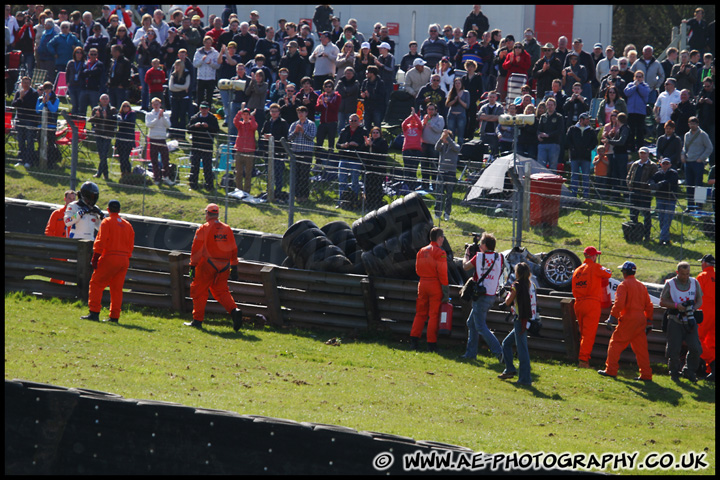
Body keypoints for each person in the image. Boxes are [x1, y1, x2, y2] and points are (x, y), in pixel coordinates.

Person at [185, 203, 243, 331]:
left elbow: (196, 249)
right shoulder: (227, 228)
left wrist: (192, 265)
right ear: (217, 214)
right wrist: (234, 266)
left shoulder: (203, 228)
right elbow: (233, 249)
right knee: (221, 291)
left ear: (207, 214)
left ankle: (197, 320)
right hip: (224, 266)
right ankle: (234, 310)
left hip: (207, 265)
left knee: (199, 291)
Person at [598, 261, 655, 381]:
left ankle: (611, 370)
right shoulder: (641, 286)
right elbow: (649, 306)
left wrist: (612, 318)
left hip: (628, 320)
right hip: (640, 321)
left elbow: (619, 304)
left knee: (615, 344)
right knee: (641, 350)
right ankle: (646, 375)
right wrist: (649, 321)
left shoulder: (623, 285)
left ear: (624, 272)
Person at [80, 199, 134, 323]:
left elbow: (100, 241)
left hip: (110, 257)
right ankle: (114, 316)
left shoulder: (107, 222)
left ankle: (94, 312)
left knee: (96, 284)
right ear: (119, 210)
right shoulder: (128, 225)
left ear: (108, 210)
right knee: (116, 289)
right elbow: (131, 245)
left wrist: (95, 257)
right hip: (124, 259)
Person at [460, 232, 505, 362]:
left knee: (480, 326)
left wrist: (467, 254)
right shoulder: (499, 257)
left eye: (481, 244)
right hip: (492, 295)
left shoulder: (478, 257)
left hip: (481, 296)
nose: (479, 246)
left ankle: (500, 353)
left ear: (484, 245)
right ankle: (470, 354)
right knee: (471, 323)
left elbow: (465, 266)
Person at [659, 261, 704, 382]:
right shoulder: (670, 283)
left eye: (687, 273)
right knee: (674, 349)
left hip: (690, 320)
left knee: (696, 348)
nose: (685, 276)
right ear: (677, 272)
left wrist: (693, 308)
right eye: (683, 274)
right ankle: (674, 372)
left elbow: (700, 300)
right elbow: (662, 301)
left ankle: (689, 371)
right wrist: (676, 305)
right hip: (675, 320)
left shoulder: (695, 282)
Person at [571, 246, 613, 368]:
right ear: (593, 256)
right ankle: (583, 361)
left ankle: (582, 358)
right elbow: (608, 273)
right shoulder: (595, 267)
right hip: (591, 303)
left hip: (578, 304)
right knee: (588, 335)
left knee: (583, 333)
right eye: (596, 256)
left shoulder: (577, 270)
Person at [410, 227, 449, 352]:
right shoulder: (440, 253)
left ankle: (413, 341)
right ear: (439, 238)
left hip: (422, 284)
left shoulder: (421, 251)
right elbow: (442, 273)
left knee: (420, 313)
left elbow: (417, 270)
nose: (443, 239)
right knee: (433, 315)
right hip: (435, 285)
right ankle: (431, 344)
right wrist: (445, 290)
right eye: (442, 237)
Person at [498, 262, 535, 385]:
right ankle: (510, 370)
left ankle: (525, 379)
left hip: (520, 320)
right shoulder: (530, 284)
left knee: (522, 350)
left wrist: (503, 299)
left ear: (517, 273)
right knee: (506, 344)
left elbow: (508, 301)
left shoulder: (516, 285)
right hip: (527, 320)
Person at [626, 147, 658, 242]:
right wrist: (629, 185)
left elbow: (655, 178)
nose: (642, 155)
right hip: (634, 191)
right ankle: (634, 234)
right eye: (641, 153)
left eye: (644, 153)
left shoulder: (652, 166)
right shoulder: (635, 164)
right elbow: (629, 175)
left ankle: (647, 235)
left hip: (645, 194)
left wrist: (648, 188)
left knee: (646, 215)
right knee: (633, 214)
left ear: (648, 154)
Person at [682, 116, 714, 211]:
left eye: (694, 123)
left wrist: (701, 158)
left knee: (699, 185)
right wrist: (683, 155)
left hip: (698, 163)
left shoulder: (703, 134)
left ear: (697, 124)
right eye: (691, 123)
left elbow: (709, 147)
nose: (692, 125)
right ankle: (690, 206)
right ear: (688, 124)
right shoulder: (687, 135)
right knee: (689, 185)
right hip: (688, 162)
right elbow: (685, 147)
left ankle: (699, 206)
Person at [45, 190, 76, 285]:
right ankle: (53, 293)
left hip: (73, 248)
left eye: (74, 199)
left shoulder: (77, 215)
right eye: (69, 198)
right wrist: (55, 244)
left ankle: (66, 296)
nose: (71, 201)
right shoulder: (57, 214)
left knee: (71, 275)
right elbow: (49, 231)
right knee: (56, 273)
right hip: (59, 248)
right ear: (65, 199)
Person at [336, 113, 367, 209]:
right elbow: (337, 145)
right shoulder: (344, 130)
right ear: (348, 121)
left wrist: (357, 145)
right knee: (342, 180)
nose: (353, 122)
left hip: (356, 158)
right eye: (351, 120)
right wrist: (343, 145)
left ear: (359, 122)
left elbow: (365, 146)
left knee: (355, 181)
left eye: (355, 120)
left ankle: (353, 201)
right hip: (344, 157)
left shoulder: (363, 131)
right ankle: (342, 201)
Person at [187, 102, 219, 191]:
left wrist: (208, 126)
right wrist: (195, 126)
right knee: (194, 166)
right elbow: (188, 130)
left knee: (207, 167)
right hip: (196, 145)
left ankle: (209, 185)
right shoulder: (194, 118)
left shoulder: (212, 118)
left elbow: (216, 130)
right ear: (200, 109)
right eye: (202, 108)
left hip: (207, 145)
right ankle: (193, 185)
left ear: (208, 109)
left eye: (205, 108)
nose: (204, 110)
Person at [287, 105, 316, 203]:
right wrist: (295, 131)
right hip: (296, 152)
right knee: (296, 174)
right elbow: (289, 138)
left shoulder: (311, 124)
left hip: (306, 152)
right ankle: (297, 195)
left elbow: (311, 137)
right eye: (299, 112)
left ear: (306, 113)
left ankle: (304, 196)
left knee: (304, 174)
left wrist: (303, 131)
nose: (301, 114)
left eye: (302, 112)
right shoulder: (294, 124)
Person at [260, 103, 290, 196]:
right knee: (268, 172)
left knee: (278, 173)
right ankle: (269, 190)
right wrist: (264, 137)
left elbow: (285, 137)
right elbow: (262, 133)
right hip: (268, 151)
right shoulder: (267, 122)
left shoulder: (283, 123)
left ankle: (278, 191)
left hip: (278, 151)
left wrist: (273, 137)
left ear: (279, 112)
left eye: (275, 111)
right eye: (272, 111)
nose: (273, 113)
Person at [145, 97, 176, 186]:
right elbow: (149, 125)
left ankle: (166, 177)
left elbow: (168, 125)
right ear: (152, 105)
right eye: (154, 104)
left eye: (157, 104)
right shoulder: (149, 114)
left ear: (160, 105)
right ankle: (156, 177)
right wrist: (157, 118)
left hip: (162, 139)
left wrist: (162, 117)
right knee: (154, 160)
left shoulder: (165, 114)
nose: (156, 106)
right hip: (153, 139)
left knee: (165, 159)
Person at [566, 112, 597, 198]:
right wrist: (572, 148)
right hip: (575, 156)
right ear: (581, 120)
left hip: (586, 157)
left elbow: (594, 142)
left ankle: (586, 195)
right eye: (587, 119)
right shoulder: (572, 129)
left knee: (586, 177)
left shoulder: (591, 130)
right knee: (574, 176)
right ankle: (574, 194)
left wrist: (589, 149)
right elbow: (568, 140)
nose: (588, 121)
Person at [11, 76, 39, 168]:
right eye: (24, 83)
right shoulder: (19, 93)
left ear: (30, 84)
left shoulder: (34, 93)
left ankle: (29, 161)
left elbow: (30, 106)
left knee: (30, 141)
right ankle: (21, 160)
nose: (26, 84)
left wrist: (22, 99)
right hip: (20, 119)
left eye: (27, 83)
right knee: (21, 141)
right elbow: (14, 104)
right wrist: (20, 98)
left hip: (30, 120)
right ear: (21, 84)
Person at [650, 157, 679, 246]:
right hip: (660, 198)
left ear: (670, 165)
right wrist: (652, 183)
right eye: (664, 164)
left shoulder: (673, 173)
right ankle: (666, 239)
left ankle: (662, 239)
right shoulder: (658, 173)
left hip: (670, 199)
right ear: (661, 164)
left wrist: (661, 183)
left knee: (667, 219)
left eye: (667, 164)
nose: (665, 165)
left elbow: (671, 181)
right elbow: (652, 179)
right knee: (661, 218)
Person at [89, 94, 117, 180]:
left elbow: (115, 122)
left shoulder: (112, 110)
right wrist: (96, 116)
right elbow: (90, 121)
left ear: (109, 100)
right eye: (103, 99)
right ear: (100, 100)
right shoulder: (96, 109)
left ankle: (102, 173)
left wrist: (106, 117)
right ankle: (103, 174)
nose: (105, 100)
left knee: (104, 154)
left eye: (106, 99)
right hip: (99, 134)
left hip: (108, 135)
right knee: (101, 154)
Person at [696, 254, 715, 381]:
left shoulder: (702, 276)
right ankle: (710, 371)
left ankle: (713, 362)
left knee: (697, 339)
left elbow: (695, 295)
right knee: (711, 342)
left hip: (705, 312)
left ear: (704, 263)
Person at [434, 129, 460, 221]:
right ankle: (437, 213)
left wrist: (448, 138)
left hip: (451, 173)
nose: (444, 139)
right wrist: (441, 139)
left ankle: (447, 213)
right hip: (441, 172)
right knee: (439, 194)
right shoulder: (442, 146)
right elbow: (436, 147)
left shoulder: (455, 146)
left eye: (445, 137)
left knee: (449, 195)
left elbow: (456, 148)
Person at [35, 81, 61, 169]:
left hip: (51, 125)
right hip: (41, 125)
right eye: (45, 89)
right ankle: (40, 160)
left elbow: (54, 110)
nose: (47, 91)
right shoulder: (39, 99)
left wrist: (48, 102)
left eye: (48, 89)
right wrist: (43, 102)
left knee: (51, 144)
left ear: (51, 89)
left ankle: (50, 162)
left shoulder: (56, 99)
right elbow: (37, 110)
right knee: (40, 143)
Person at [603, 112, 631, 195]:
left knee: (622, 174)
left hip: (622, 154)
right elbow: (614, 139)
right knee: (615, 174)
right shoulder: (620, 129)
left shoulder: (625, 128)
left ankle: (625, 194)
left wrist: (609, 141)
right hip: (617, 153)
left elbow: (621, 142)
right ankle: (616, 194)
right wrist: (608, 136)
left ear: (618, 120)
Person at [233, 106, 258, 194]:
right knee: (238, 172)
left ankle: (247, 190)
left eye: (247, 114)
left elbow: (254, 127)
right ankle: (239, 190)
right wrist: (240, 111)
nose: (246, 116)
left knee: (248, 173)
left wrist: (252, 117)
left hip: (249, 152)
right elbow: (235, 121)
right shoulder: (240, 124)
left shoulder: (252, 124)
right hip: (239, 151)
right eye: (244, 114)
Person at [362, 126, 389, 211]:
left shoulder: (383, 142)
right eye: (373, 132)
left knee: (377, 187)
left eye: (377, 132)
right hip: (369, 168)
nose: (375, 134)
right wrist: (366, 145)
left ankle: (377, 204)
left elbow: (383, 151)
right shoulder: (369, 141)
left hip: (379, 168)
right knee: (368, 187)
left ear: (380, 134)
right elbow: (364, 152)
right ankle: (369, 205)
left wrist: (372, 145)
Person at [420, 102, 445, 190]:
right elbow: (420, 130)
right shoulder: (424, 118)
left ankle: (435, 186)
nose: (430, 111)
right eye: (429, 109)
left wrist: (429, 122)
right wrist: (424, 123)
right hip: (424, 145)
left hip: (434, 146)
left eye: (432, 109)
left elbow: (438, 130)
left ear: (436, 110)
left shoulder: (440, 118)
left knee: (434, 167)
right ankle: (425, 185)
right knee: (424, 166)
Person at [536, 96, 564, 171]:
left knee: (553, 165)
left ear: (555, 106)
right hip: (542, 144)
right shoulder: (543, 117)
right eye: (548, 104)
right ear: (546, 105)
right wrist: (539, 135)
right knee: (541, 165)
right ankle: (541, 181)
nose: (550, 106)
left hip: (554, 143)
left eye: (551, 105)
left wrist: (548, 135)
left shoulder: (559, 117)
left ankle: (551, 182)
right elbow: (539, 129)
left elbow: (560, 130)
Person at [193, 35, 220, 108]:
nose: (208, 44)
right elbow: (195, 64)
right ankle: (199, 112)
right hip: (200, 77)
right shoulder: (199, 52)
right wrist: (202, 60)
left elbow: (218, 66)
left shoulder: (215, 53)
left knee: (209, 97)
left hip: (211, 78)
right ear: (204, 43)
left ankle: (208, 112)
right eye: (206, 43)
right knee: (200, 97)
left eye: (209, 43)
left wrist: (211, 63)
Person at [478, 90, 504, 160]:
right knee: (482, 152)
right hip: (484, 133)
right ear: (488, 98)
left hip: (494, 134)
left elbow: (498, 118)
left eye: (493, 97)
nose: (492, 98)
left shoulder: (499, 107)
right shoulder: (483, 107)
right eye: (490, 97)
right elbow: (480, 117)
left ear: (496, 98)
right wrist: (493, 117)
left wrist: (486, 117)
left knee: (495, 153)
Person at [359, 65, 386, 131]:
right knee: (366, 127)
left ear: (372, 73)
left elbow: (382, 96)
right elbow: (362, 90)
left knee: (377, 126)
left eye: (367, 72)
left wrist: (370, 96)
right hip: (367, 108)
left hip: (377, 108)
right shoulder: (365, 82)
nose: (366, 73)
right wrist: (362, 95)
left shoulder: (380, 83)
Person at [445, 77, 470, 146]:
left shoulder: (466, 93)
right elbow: (447, 104)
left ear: (461, 84)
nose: (457, 85)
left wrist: (459, 100)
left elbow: (466, 106)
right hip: (451, 115)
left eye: (459, 83)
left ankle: (459, 149)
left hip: (461, 115)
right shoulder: (452, 92)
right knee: (451, 134)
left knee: (460, 135)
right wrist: (454, 100)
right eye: (456, 83)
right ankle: (450, 148)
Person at [114, 101, 135, 178]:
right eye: (124, 106)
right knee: (121, 157)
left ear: (129, 107)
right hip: (120, 139)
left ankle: (129, 172)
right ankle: (123, 172)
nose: (125, 107)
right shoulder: (120, 115)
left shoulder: (132, 114)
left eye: (127, 106)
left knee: (125, 157)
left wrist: (121, 121)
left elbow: (129, 123)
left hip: (128, 140)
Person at [336, 66, 359, 133]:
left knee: (351, 125)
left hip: (350, 108)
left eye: (350, 73)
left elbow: (351, 90)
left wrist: (344, 90)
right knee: (340, 125)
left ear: (353, 74)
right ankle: (341, 139)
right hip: (341, 107)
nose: (348, 75)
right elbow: (337, 92)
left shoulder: (356, 82)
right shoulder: (340, 82)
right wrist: (346, 93)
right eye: (347, 73)